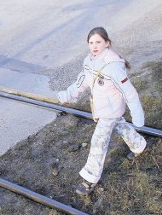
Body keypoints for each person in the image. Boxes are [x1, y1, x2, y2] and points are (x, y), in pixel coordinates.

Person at [54, 27, 147, 196]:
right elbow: (81, 82)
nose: (94, 46)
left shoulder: (113, 67)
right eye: (91, 42)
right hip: (103, 108)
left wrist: (137, 115)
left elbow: (130, 93)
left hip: (110, 110)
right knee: (120, 125)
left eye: (98, 42)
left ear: (107, 43)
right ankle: (139, 145)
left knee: (98, 140)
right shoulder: (89, 61)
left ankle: (90, 178)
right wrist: (67, 94)